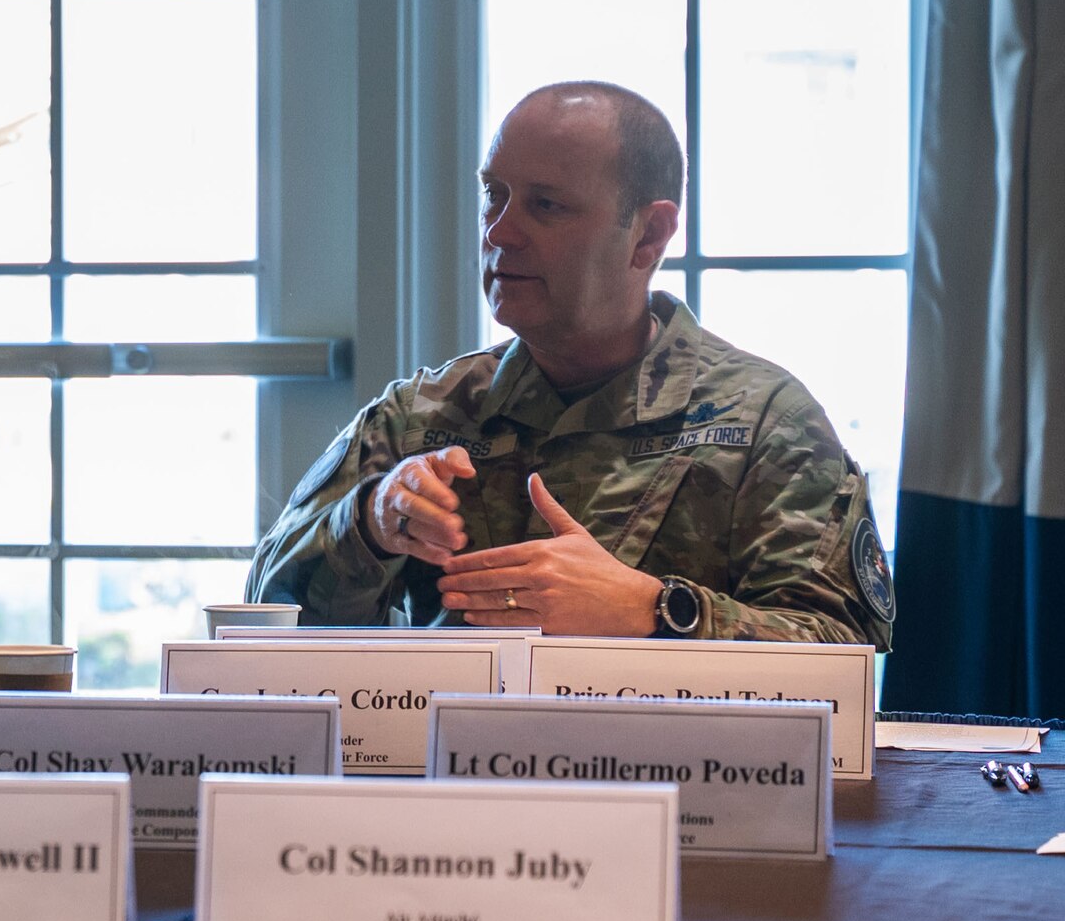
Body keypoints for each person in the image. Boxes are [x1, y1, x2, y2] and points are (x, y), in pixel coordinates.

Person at [248, 81, 894, 649]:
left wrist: (654, 611)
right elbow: (262, 620)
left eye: (545, 206)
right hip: (454, 776)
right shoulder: (424, 417)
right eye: (493, 196)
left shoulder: (765, 426)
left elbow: (842, 655)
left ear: (648, 236)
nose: (499, 232)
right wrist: (369, 521)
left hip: (680, 780)